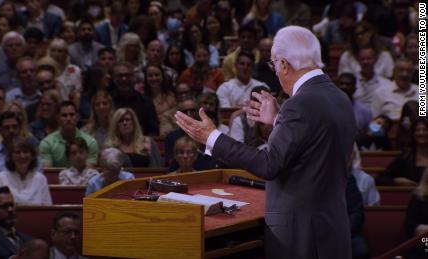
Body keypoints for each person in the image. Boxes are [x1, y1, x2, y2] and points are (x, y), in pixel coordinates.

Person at [175, 26, 356, 259]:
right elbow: (312, 151)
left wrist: (211, 137)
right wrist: (279, 121)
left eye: (273, 64)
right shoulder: (339, 97)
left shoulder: (299, 104)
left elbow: (268, 164)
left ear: (283, 64)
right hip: (332, 229)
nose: (276, 72)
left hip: (301, 236)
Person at [0, 138, 52, 205]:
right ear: (10, 156)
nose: (22, 156)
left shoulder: (41, 179)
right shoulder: (0, 178)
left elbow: (47, 207)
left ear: (32, 156)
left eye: (26, 152)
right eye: (17, 152)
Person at [39, 101, 98, 168]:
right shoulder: (46, 143)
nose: (68, 119)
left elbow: (88, 172)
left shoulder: (90, 143)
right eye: (64, 115)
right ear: (58, 118)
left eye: (72, 115)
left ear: (78, 117)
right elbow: (48, 172)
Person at [376, 119, 428, 186]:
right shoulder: (406, 156)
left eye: (425, 130)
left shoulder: (422, 110)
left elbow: (422, 115)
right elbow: (380, 178)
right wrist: (396, 181)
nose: (421, 133)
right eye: (417, 130)